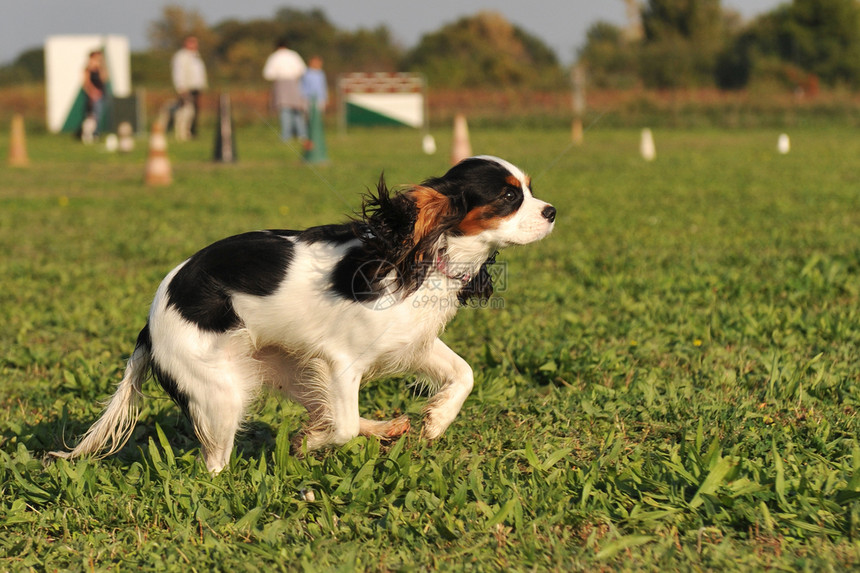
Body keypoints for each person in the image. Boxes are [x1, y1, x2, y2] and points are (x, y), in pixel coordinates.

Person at [262, 38, 308, 147]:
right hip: (294, 83)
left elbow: (268, 74)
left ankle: (286, 136)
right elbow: (302, 70)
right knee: (297, 110)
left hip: (281, 84)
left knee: (285, 111)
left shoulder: (274, 56)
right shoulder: (294, 55)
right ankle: (302, 135)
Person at [171, 36, 208, 138]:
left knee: (194, 112)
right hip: (187, 88)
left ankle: (191, 132)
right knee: (185, 112)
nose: (194, 45)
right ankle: (181, 132)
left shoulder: (196, 56)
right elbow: (178, 72)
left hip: (196, 88)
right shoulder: (181, 56)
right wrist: (181, 87)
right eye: (191, 42)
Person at [81, 50, 108, 141]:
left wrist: (100, 68)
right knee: (92, 116)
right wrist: (93, 92)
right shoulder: (88, 69)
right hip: (92, 95)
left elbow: (104, 78)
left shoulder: (100, 68)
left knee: (98, 115)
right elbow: (86, 83)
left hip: (101, 94)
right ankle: (89, 134)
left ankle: (96, 134)